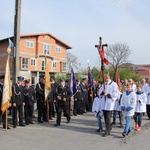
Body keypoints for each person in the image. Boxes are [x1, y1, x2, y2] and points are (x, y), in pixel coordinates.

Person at [101, 72, 118, 137]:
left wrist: (107, 94)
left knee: (108, 118)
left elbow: (115, 94)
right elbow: (99, 92)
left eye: (105, 78)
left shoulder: (113, 84)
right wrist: (102, 92)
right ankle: (108, 128)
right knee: (105, 118)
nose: (105, 79)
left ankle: (107, 131)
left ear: (108, 77)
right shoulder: (104, 84)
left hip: (109, 104)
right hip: (104, 103)